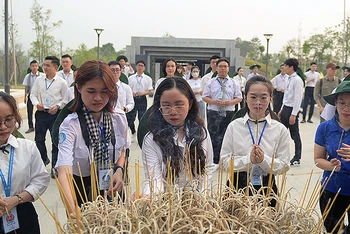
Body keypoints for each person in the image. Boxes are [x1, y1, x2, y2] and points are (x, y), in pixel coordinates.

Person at [56, 60, 129, 213]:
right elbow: (64, 170)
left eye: (104, 91)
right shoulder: (70, 125)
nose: (98, 98)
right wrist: (72, 210)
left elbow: (123, 149)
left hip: (111, 183)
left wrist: (120, 169)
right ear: (78, 88)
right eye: (91, 91)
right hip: (82, 186)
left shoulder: (119, 117)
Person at [220, 76, 290, 205]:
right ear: (245, 97)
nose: (258, 102)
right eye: (253, 97)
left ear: (270, 98)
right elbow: (224, 162)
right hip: (237, 187)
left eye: (263, 97)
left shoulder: (279, 129)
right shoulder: (234, 126)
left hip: (267, 188)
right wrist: (248, 160)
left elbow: (284, 165)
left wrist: (264, 161)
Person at [141, 77, 214, 195]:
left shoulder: (201, 132)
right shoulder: (152, 139)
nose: (173, 111)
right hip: (166, 203)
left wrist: (202, 195)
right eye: (166, 105)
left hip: (197, 201)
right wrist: (150, 198)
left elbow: (208, 167)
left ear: (189, 104)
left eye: (179, 105)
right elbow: (154, 180)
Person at [0, 92, 49, 234]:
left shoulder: (27, 147)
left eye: (8, 120)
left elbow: (41, 179)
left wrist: (15, 200)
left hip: (23, 214)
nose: (3, 127)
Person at [314, 81, 350, 233]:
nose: (346, 108)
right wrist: (331, 166)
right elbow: (318, 159)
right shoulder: (325, 128)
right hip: (332, 190)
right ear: (335, 103)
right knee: (333, 230)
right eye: (342, 103)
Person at [30, 56, 68, 175]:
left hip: (55, 115)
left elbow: (65, 100)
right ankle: (44, 159)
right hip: (41, 113)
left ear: (55, 67)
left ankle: (55, 167)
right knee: (39, 140)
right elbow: (33, 95)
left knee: (55, 140)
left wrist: (57, 106)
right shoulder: (39, 80)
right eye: (44, 65)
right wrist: (36, 104)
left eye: (47, 65)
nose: (44, 67)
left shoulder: (62, 83)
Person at [202, 58, 242, 164]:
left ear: (228, 69)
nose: (223, 68)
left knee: (226, 136)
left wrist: (229, 102)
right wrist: (214, 101)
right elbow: (204, 97)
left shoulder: (234, 82)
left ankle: (225, 159)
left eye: (225, 66)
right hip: (213, 112)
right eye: (220, 66)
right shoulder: (210, 82)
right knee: (213, 136)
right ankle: (214, 159)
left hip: (228, 113)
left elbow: (239, 98)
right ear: (216, 68)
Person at [278, 58, 303, 166]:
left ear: (291, 67)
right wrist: (282, 109)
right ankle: (281, 156)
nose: (284, 68)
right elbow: (287, 95)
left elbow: (298, 98)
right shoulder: (289, 78)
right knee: (281, 133)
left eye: (286, 66)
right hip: (286, 108)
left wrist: (294, 114)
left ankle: (297, 157)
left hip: (292, 110)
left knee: (295, 135)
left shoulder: (297, 80)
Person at [127, 60, 153, 143]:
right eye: (138, 65)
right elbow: (127, 89)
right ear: (136, 67)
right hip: (133, 99)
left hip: (142, 99)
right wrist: (132, 93)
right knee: (130, 118)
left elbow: (150, 91)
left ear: (144, 67)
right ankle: (133, 131)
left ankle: (141, 135)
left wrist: (143, 93)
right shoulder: (130, 78)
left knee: (142, 118)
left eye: (142, 65)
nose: (140, 67)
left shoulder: (148, 78)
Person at [22, 60, 44, 134]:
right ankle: (31, 127)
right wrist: (25, 96)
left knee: (41, 110)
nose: (34, 67)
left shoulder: (42, 75)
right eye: (33, 66)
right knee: (29, 111)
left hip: (40, 96)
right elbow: (26, 87)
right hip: (31, 95)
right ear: (30, 67)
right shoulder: (28, 76)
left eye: (36, 66)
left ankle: (40, 126)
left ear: (38, 67)